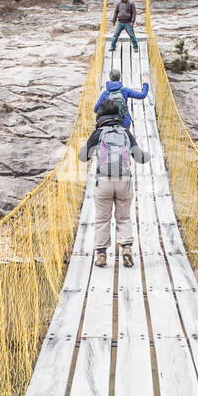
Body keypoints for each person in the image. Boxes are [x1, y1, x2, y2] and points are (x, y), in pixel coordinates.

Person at [79, 73, 149, 268]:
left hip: (103, 181)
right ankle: (126, 248)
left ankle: (101, 254)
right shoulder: (126, 133)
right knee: (124, 217)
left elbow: (83, 157)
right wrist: (150, 155)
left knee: (102, 218)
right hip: (124, 181)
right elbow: (141, 157)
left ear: (101, 115)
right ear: (119, 115)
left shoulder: (98, 132)